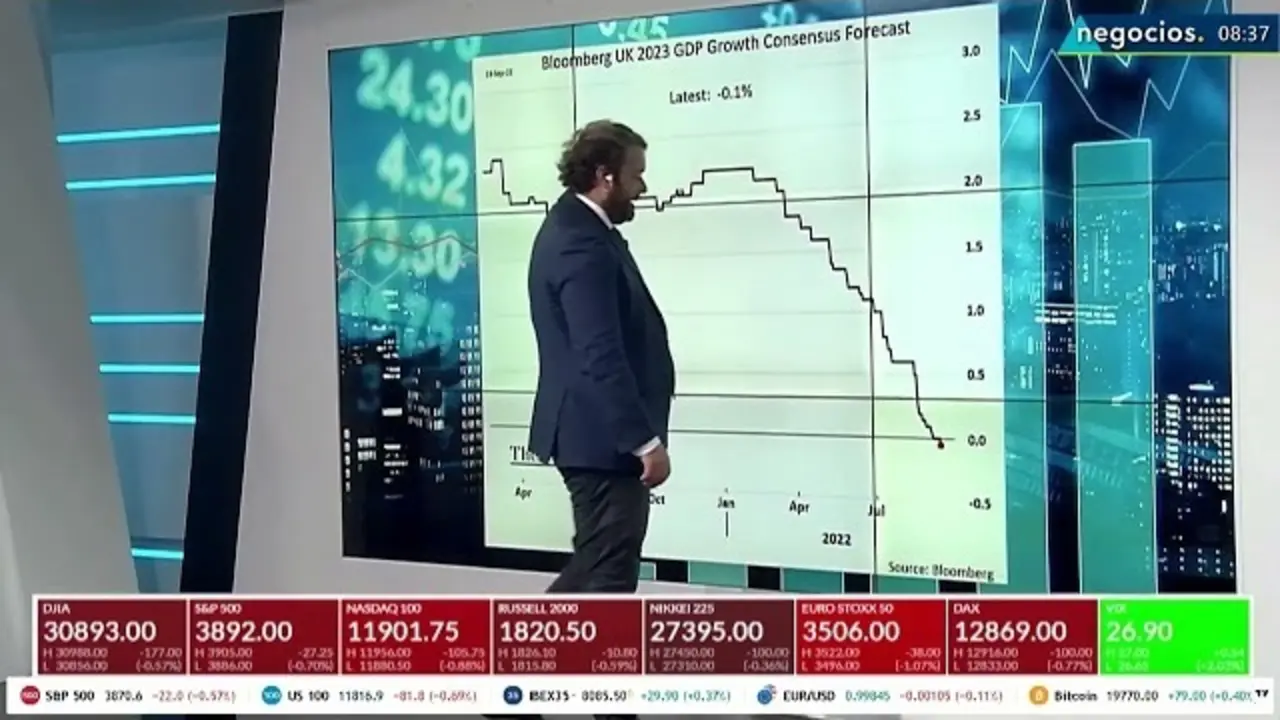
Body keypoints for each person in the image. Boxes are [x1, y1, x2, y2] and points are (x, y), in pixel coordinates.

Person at [486, 121, 674, 720]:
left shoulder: (583, 231)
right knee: (608, 576)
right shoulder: (579, 242)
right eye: (637, 175)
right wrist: (641, 440)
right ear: (604, 175)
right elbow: (599, 353)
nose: (642, 187)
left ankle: (509, 682)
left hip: (595, 436)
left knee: (597, 565)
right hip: (602, 439)